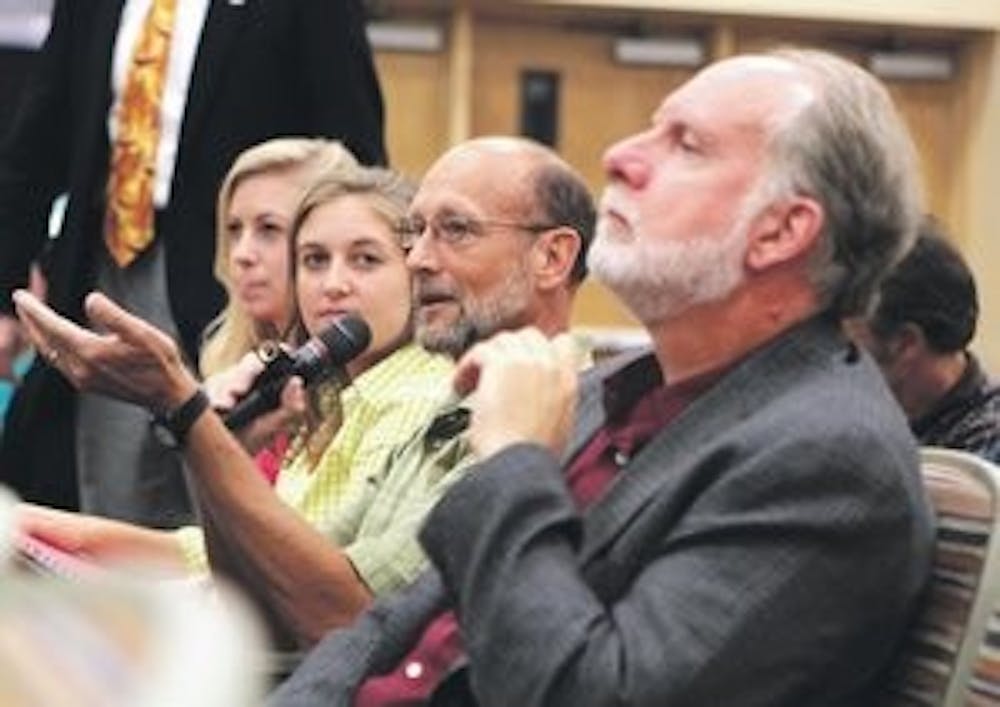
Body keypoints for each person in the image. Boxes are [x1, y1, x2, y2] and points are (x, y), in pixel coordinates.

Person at [263, 48, 933, 706]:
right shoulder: (607, 391)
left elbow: (593, 691)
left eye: (687, 145)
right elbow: (389, 625)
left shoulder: (826, 459)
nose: (620, 156)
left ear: (781, 231)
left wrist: (514, 462)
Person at [13, 136, 596, 649]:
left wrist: (186, 413)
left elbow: (343, 616)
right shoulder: (426, 393)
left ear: (553, 257)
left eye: (456, 231)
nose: (418, 259)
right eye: (416, 233)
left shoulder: (507, 401)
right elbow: (257, 610)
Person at [0, 0, 386, 527]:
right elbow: (37, 139)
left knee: (230, 498)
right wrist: (5, 290)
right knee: (111, 498)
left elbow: (353, 140)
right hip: (106, 270)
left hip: (239, 294)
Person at [18, 164, 452, 580]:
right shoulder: (320, 391)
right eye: (315, 260)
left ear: (418, 273)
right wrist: (37, 528)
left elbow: (296, 573)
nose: (333, 284)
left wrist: (183, 407)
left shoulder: (417, 396)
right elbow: (209, 553)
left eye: (366, 260)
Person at [199, 137, 359, 483]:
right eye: (234, 230)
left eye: (268, 229)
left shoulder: (367, 385)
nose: (241, 254)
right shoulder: (232, 367)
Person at [846, 219, 1000, 463]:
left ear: (905, 344)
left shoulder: (984, 452)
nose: (833, 357)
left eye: (849, 345)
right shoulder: (863, 420)